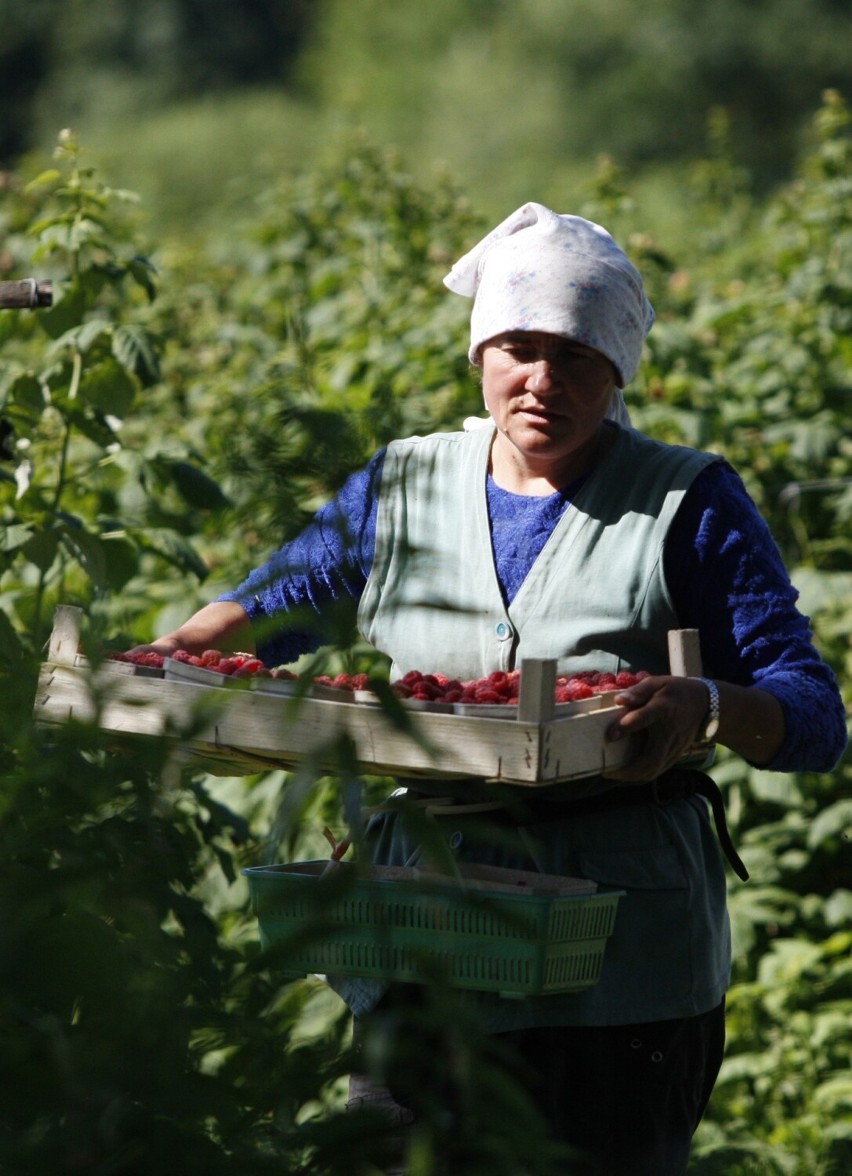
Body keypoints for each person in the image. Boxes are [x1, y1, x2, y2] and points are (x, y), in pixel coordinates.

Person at [133, 202, 847, 1173]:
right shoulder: (406, 485)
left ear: (620, 370)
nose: (543, 381)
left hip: (624, 965)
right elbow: (281, 601)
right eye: (518, 348)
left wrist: (707, 709)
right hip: (427, 939)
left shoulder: (687, 501)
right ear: (479, 354)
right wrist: (164, 661)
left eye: (578, 357)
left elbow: (811, 713)